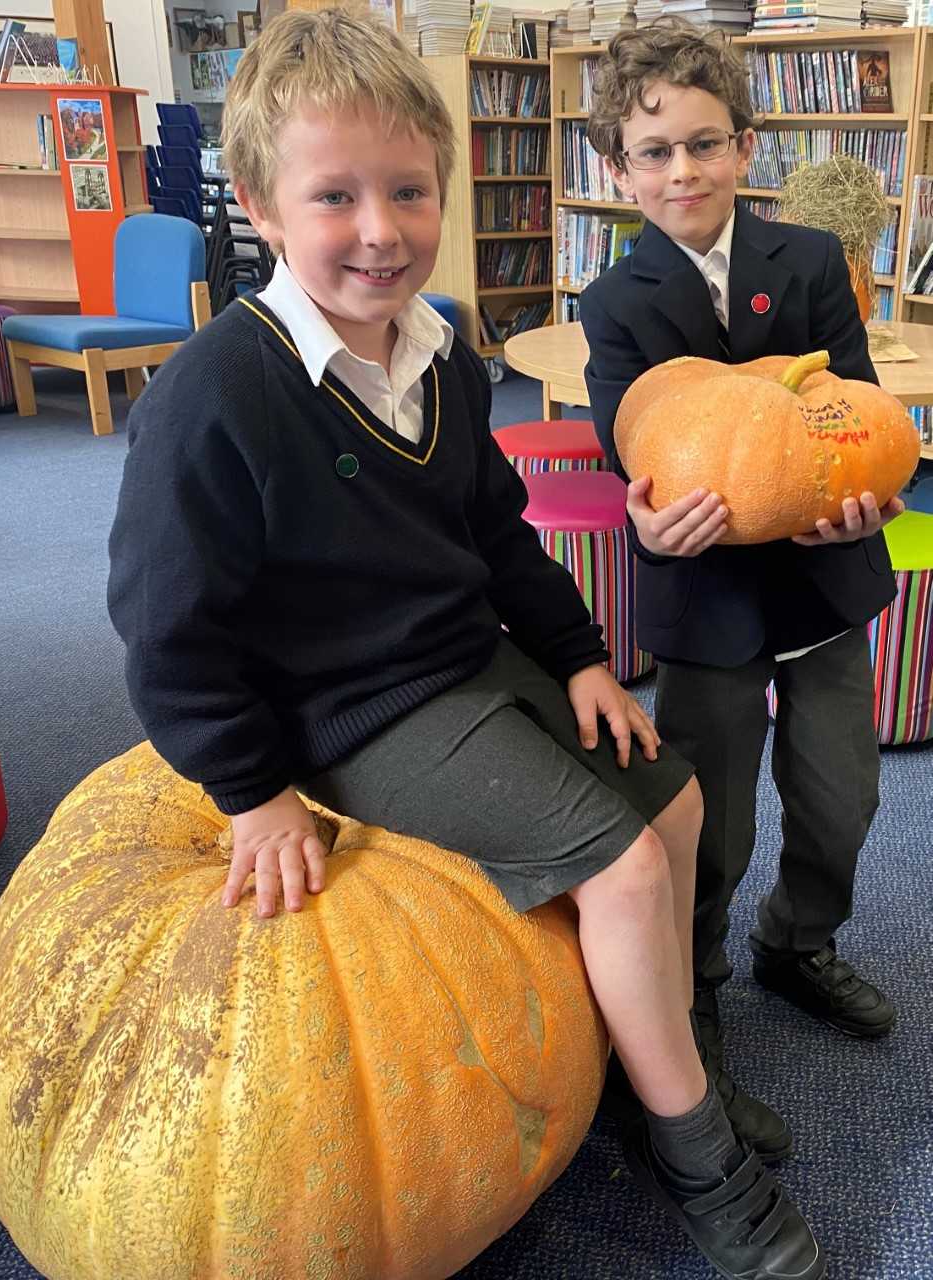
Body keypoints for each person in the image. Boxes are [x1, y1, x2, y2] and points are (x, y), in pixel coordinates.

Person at [108, 11, 824, 1278]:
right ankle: (692, 1144)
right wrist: (254, 789)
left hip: (467, 659)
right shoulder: (218, 390)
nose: (379, 229)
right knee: (624, 866)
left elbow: (498, 535)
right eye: (335, 196)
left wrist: (582, 655)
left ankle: (653, 1054)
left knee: (676, 802)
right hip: (350, 712)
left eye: (407, 190)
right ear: (265, 209)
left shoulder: (439, 350)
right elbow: (164, 631)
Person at [580, 20, 899, 1097]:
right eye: (657, 152)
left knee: (841, 794)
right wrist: (648, 523)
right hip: (705, 590)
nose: (685, 171)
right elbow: (635, 445)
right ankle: (697, 971)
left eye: (705, 144)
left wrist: (863, 505)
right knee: (708, 807)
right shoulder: (616, 302)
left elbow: (847, 403)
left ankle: (797, 940)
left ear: (745, 148)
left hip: (818, 577)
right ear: (620, 170)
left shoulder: (806, 261)